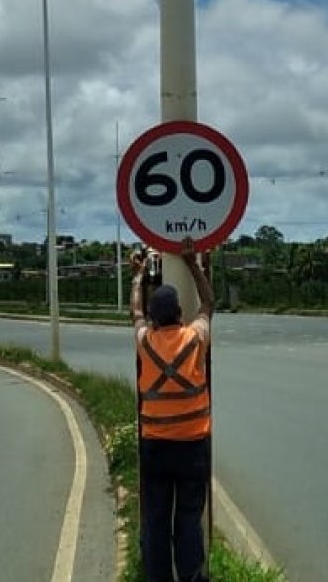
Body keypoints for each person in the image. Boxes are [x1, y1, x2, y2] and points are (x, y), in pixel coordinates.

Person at [129, 236, 215, 582]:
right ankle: (192, 577)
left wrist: (137, 277)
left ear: (153, 317)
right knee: (189, 519)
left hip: (155, 446)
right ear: (180, 313)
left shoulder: (145, 342)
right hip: (192, 446)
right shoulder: (194, 338)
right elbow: (208, 304)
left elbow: (134, 311)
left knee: (156, 518)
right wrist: (193, 263)